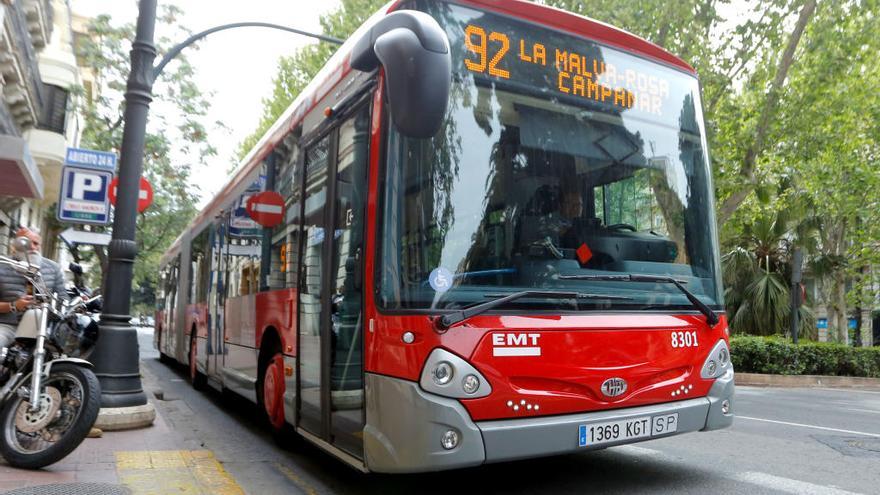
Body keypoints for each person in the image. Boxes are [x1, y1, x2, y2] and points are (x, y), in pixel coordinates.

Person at [0, 227, 67, 348]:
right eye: (26, 242)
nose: (32, 247)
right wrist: (14, 305)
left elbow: (63, 301)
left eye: (36, 243)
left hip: (41, 326)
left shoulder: (53, 268)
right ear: (15, 245)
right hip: (7, 325)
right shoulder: (2, 265)